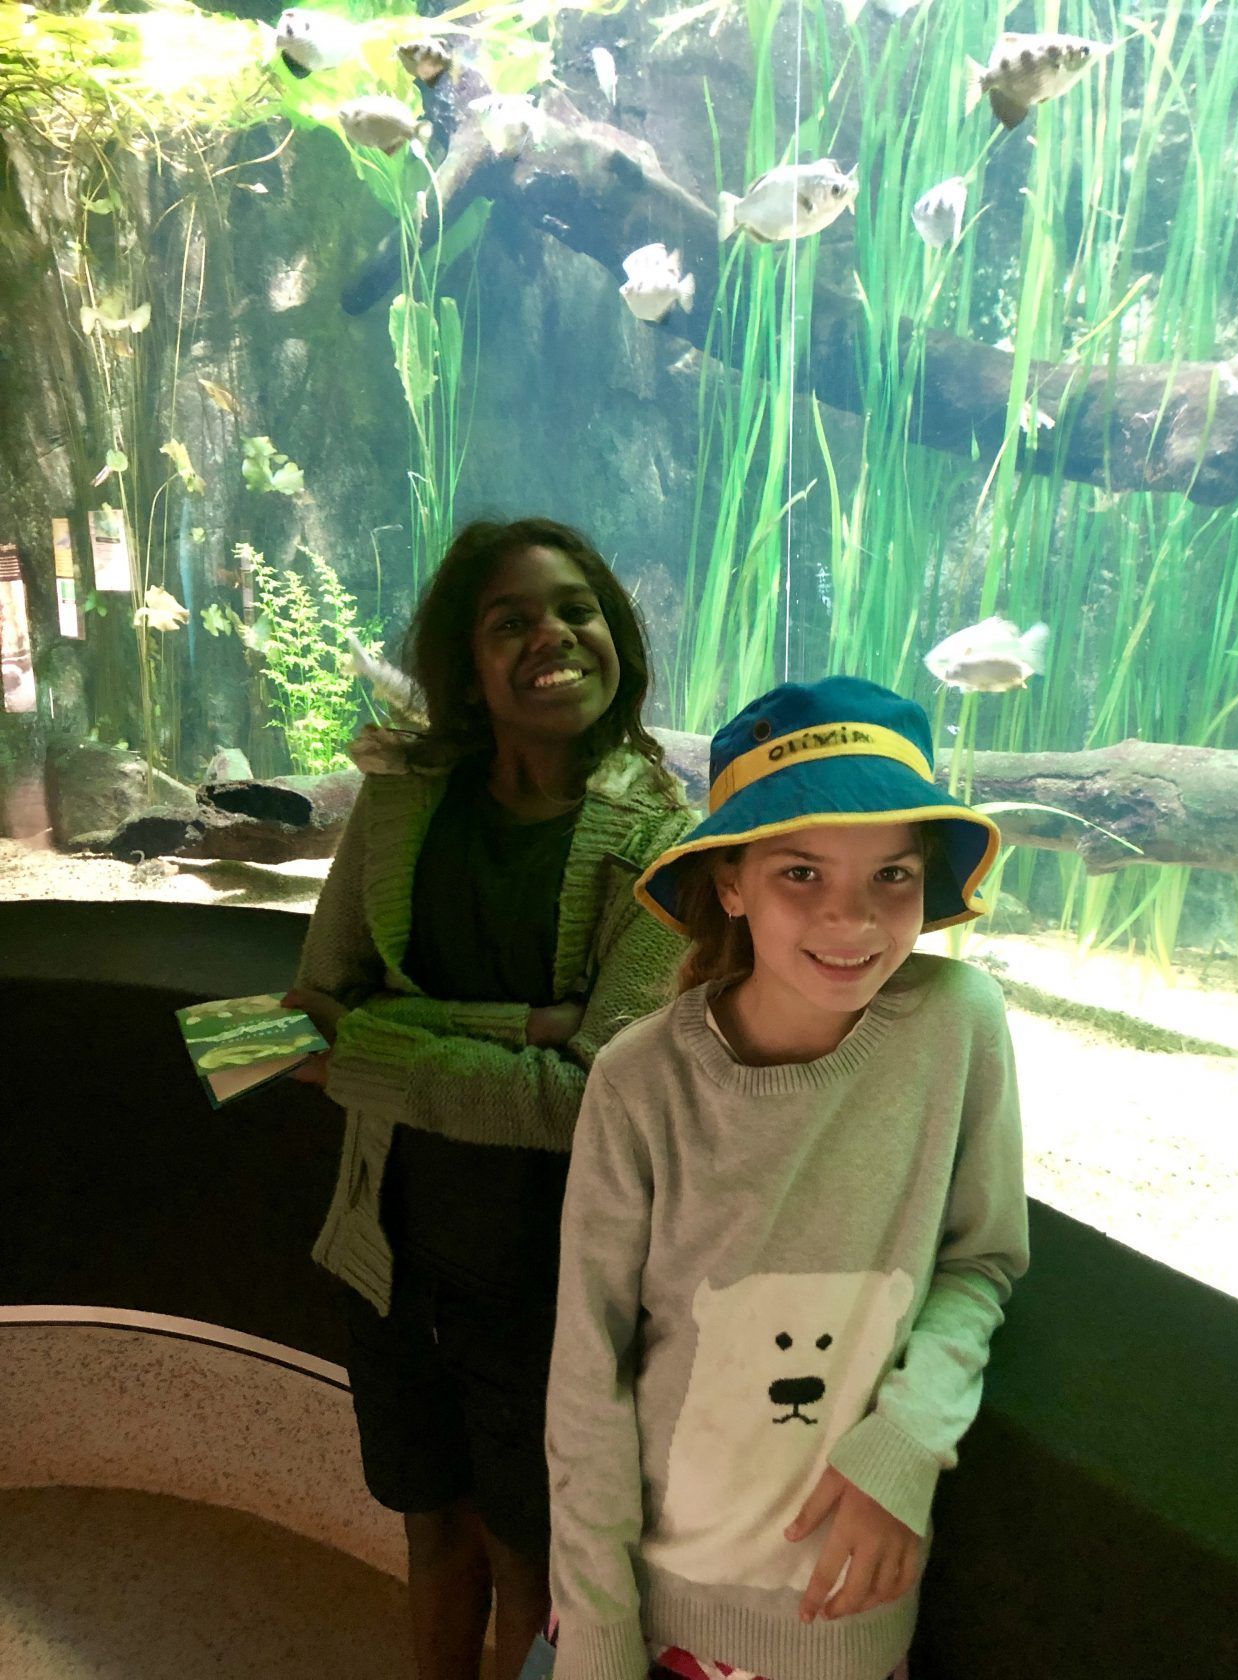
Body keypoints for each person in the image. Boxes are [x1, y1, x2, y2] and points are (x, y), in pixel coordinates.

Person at [545, 673, 1030, 1680]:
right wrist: (595, 1635)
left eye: (892, 876)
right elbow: (590, 1374)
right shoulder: (639, 1080)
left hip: (841, 1620)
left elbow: (979, 1265)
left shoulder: (960, 1024)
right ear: (729, 881)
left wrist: (905, 1448)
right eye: (801, 874)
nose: (851, 919)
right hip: (641, 1604)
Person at [284, 518, 694, 1680]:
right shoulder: (404, 798)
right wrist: (522, 1029)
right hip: (389, 1243)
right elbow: (319, 997)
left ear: (617, 634)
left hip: (549, 1283)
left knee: (531, 1558)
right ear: (466, 664)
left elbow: (589, 1102)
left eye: (577, 610)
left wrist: (373, 1054)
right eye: (510, 620)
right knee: (430, 1522)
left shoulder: (668, 843)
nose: (553, 637)